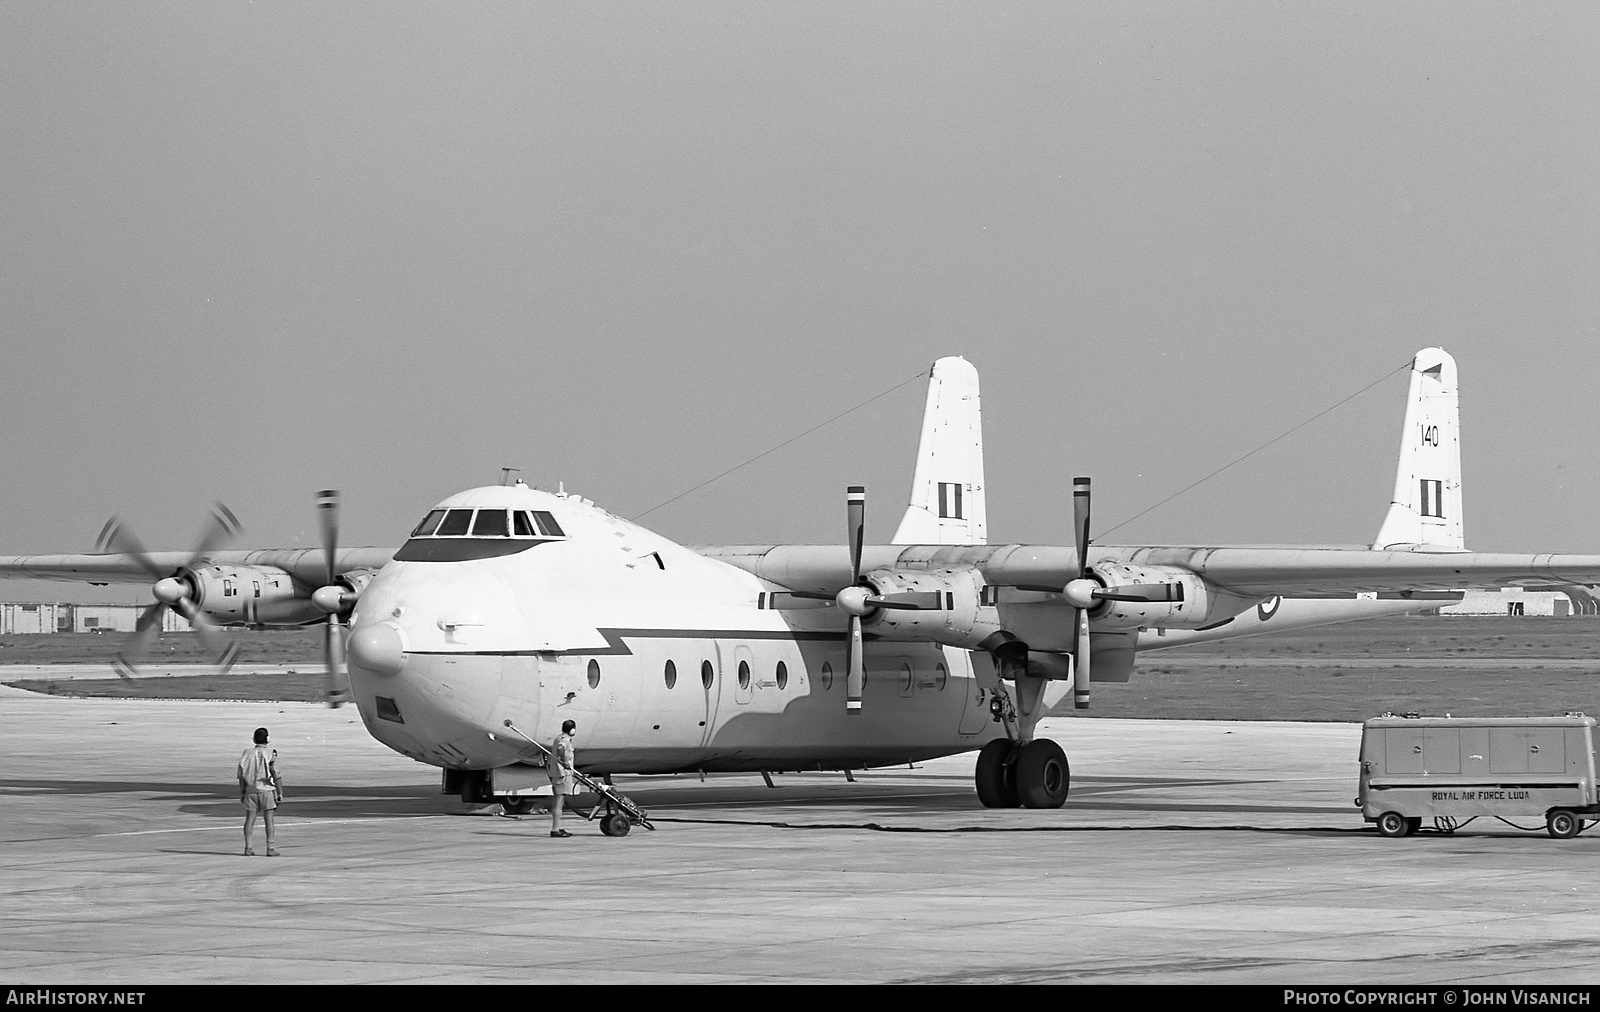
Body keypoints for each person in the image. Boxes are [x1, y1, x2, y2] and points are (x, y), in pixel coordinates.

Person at [237, 727, 280, 856]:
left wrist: (242, 792)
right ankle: (270, 848)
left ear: (254, 739)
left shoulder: (246, 753)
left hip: (250, 790)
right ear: (267, 739)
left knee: (249, 819)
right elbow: (275, 774)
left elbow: (241, 775)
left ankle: (248, 847)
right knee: (269, 820)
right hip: (266, 791)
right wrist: (280, 792)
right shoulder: (270, 753)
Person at [547, 719, 577, 838]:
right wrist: (565, 761)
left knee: (557, 801)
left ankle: (557, 827)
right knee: (559, 801)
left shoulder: (558, 738)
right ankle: (555, 829)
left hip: (556, 773)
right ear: (572, 730)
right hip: (562, 774)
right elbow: (561, 748)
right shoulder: (565, 741)